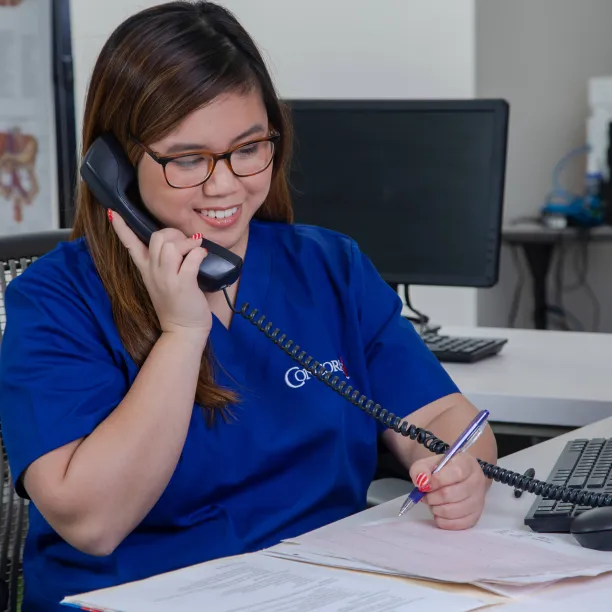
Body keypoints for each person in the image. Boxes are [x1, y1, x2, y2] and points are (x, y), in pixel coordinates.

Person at [0, 2, 498, 610]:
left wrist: (454, 468)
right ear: (118, 166)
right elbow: (92, 522)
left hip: (326, 589)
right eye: (188, 158)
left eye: (247, 148)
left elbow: (445, 415)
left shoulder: (328, 267)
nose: (225, 184)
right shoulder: (54, 299)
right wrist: (183, 333)